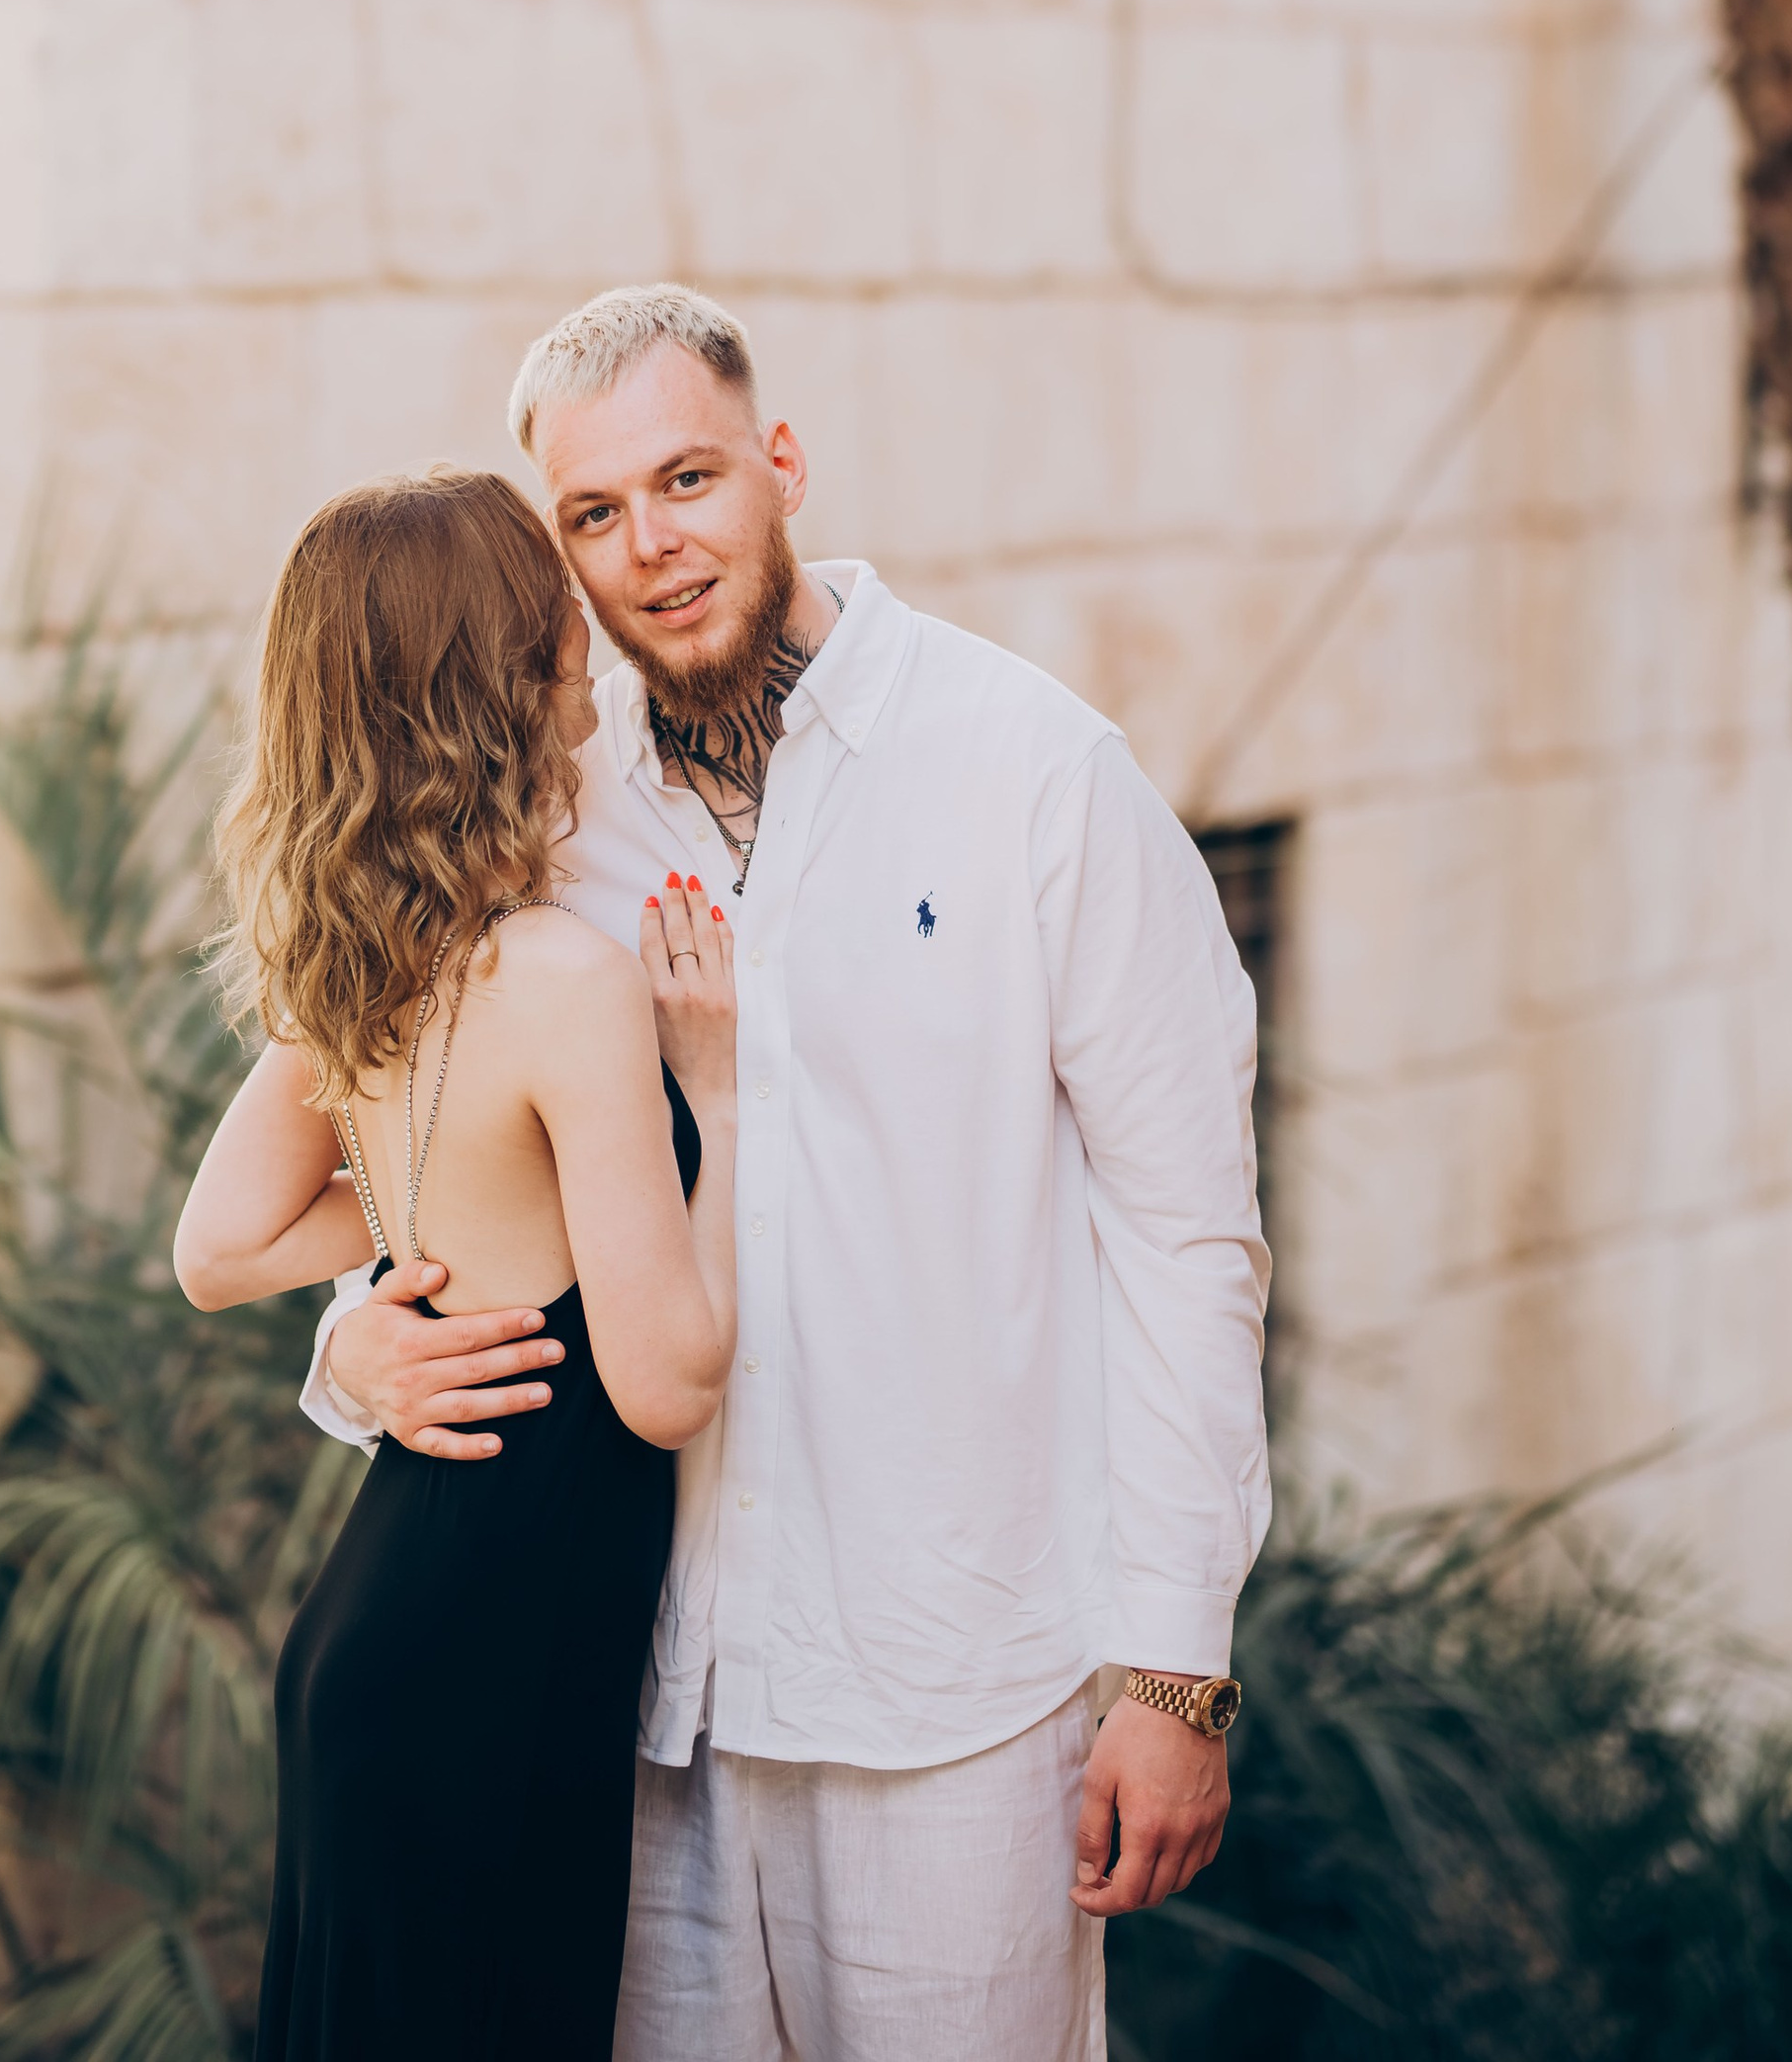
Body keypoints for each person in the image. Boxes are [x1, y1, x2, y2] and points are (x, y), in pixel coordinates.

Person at [299, 288, 1271, 2062]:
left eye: (687, 478)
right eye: (595, 513)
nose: (653, 547)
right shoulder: (547, 819)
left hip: (961, 1702)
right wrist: (356, 1341)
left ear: (783, 463)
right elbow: (405, 1120)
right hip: (640, 1704)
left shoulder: (1035, 774)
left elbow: (1188, 1241)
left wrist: (1176, 1671)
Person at [174, 467, 744, 2061]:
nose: (592, 647)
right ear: (504, 680)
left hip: (388, 1631)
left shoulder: (366, 957)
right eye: (561, 626)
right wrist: (715, 1100)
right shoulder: (564, 978)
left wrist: (423, 1213)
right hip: (490, 1669)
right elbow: (671, 1379)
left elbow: (216, 1248)